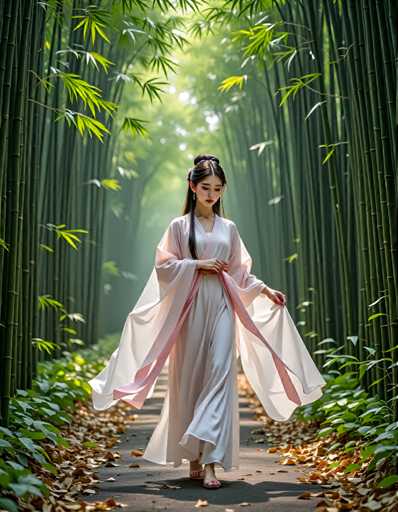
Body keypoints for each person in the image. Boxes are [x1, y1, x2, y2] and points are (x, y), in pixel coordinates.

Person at [88, 154, 326, 490]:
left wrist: (265, 290)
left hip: (223, 305)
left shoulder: (229, 228)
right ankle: (195, 459)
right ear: (192, 187)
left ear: (223, 190)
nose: (211, 194)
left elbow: (240, 270)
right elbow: (163, 268)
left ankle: (212, 463)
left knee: (219, 373)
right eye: (205, 187)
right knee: (192, 379)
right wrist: (197, 265)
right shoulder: (178, 227)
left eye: (217, 188)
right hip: (189, 309)